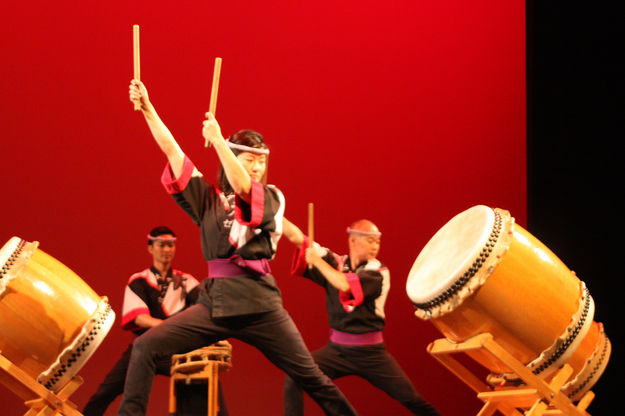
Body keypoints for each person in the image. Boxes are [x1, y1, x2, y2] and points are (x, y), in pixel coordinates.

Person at [119, 80, 357, 416]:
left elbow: (244, 187)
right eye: (249, 159)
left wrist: (217, 140)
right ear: (232, 159)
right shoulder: (208, 200)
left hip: (260, 304)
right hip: (216, 304)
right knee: (144, 348)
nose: (258, 167)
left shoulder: (272, 196)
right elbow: (173, 151)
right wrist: (147, 107)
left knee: (310, 376)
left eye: (261, 161)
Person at [281, 219, 440, 416]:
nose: (376, 246)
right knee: (295, 376)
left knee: (412, 399)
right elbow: (296, 237)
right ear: (353, 240)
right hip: (336, 351)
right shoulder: (337, 262)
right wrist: (272, 205)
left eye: (377, 242)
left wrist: (317, 262)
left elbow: (344, 285)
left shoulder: (378, 272)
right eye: (370, 241)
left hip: (371, 354)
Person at [83, 226, 227, 416]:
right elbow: (139, 318)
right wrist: (173, 328)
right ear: (151, 248)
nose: (166, 250)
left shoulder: (187, 282)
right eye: (161, 245)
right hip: (143, 347)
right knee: (106, 391)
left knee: (205, 382)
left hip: (175, 350)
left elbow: (201, 313)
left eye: (170, 245)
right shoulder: (139, 280)